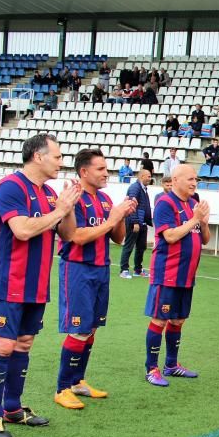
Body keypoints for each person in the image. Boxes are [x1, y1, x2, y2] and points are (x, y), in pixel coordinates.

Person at [0, 134, 80, 437]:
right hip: (8, 284)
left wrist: (68, 207)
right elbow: (22, 230)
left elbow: (70, 234)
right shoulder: (11, 187)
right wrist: (57, 210)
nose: (61, 162)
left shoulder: (50, 192)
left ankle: (13, 408)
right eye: (57, 156)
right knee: (2, 347)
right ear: (38, 157)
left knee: (23, 345)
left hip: (36, 285)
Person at [53, 149, 137, 410]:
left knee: (90, 328)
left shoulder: (104, 199)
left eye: (106, 168)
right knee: (78, 329)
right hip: (78, 269)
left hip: (101, 268)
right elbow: (75, 236)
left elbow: (118, 238)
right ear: (84, 171)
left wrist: (121, 216)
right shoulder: (73, 197)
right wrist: (112, 218)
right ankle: (62, 388)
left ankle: (78, 381)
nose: (106, 173)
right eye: (100, 169)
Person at [143, 165, 210, 387]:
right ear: (176, 179)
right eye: (190, 179)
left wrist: (204, 221)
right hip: (168, 274)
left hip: (187, 275)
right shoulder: (165, 203)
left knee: (178, 319)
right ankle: (151, 368)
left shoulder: (193, 204)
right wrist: (194, 220)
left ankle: (171, 365)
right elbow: (170, 236)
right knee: (160, 319)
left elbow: (205, 239)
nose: (194, 182)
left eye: (196, 179)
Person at [120, 167, 154, 279]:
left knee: (141, 247)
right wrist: (135, 221)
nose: (150, 178)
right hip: (134, 222)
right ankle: (124, 270)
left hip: (142, 223)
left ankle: (138, 270)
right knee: (129, 245)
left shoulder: (143, 189)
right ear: (142, 176)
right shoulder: (135, 187)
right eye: (148, 176)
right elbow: (131, 204)